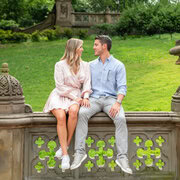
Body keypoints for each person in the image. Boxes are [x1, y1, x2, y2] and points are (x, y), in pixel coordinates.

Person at [70, 35, 132, 174]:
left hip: (111, 100)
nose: (93, 47)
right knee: (82, 114)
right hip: (93, 100)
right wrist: (82, 97)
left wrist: (118, 103)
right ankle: (79, 152)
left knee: (121, 118)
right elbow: (82, 82)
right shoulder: (90, 65)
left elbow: (122, 87)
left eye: (96, 44)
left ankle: (122, 157)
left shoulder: (118, 65)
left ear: (104, 46)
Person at [43, 38, 91, 171]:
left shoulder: (85, 65)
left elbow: (87, 83)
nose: (82, 49)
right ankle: (65, 156)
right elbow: (59, 86)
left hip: (76, 95)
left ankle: (66, 146)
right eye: (81, 47)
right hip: (60, 95)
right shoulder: (59, 65)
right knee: (61, 117)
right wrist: (73, 97)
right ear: (74, 49)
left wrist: (85, 97)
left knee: (74, 112)